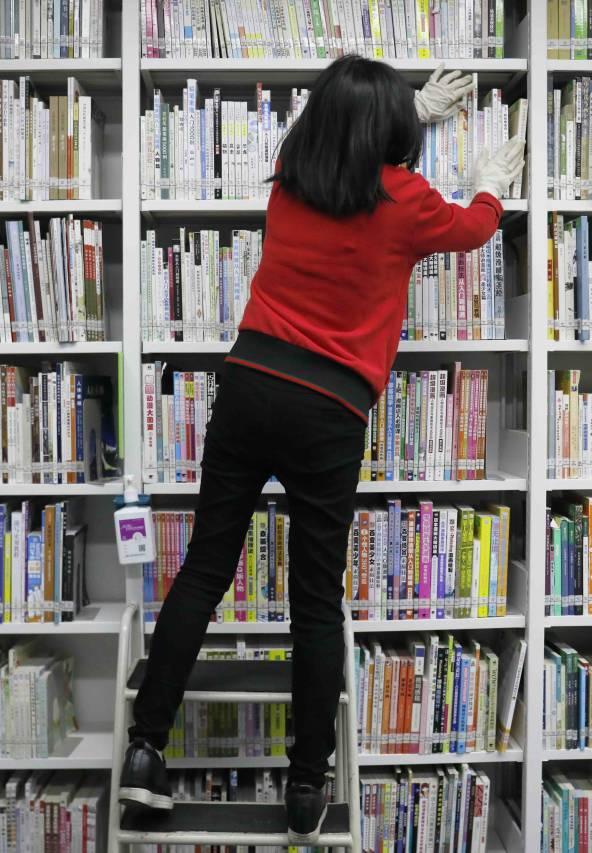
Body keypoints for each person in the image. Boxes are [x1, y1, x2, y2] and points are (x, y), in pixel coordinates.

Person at [119, 55, 525, 844]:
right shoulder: (406, 200)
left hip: (249, 382)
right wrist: (487, 181)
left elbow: (341, 139)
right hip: (329, 409)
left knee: (204, 566)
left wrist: (408, 109)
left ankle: (145, 747)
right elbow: (475, 228)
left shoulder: (289, 181)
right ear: (387, 130)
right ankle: (307, 784)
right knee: (313, 597)